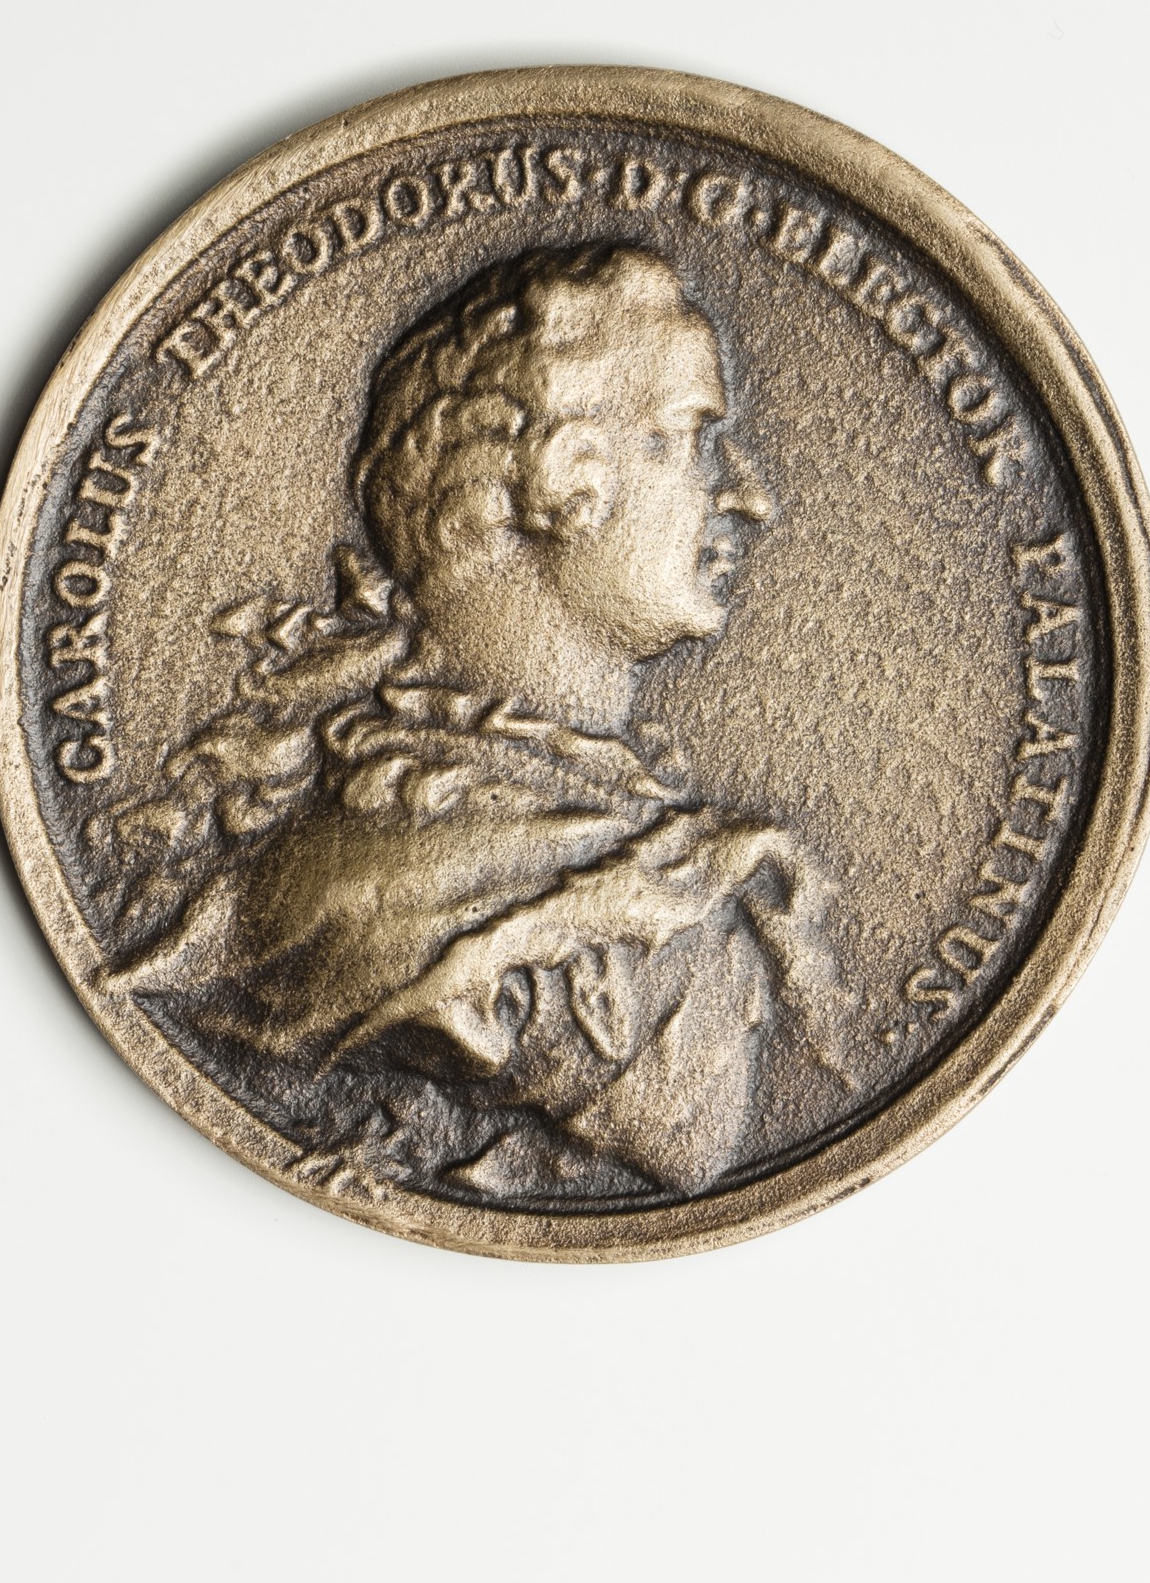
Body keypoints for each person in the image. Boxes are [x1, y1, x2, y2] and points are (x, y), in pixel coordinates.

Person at [104, 244, 854, 1201]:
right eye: (690, 437)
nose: (746, 493)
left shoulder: (355, 845)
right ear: (569, 475)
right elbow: (688, 1158)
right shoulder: (567, 906)